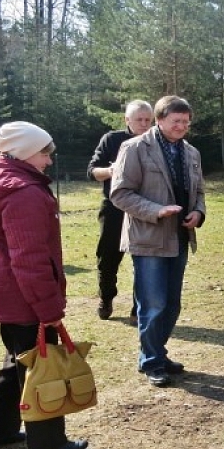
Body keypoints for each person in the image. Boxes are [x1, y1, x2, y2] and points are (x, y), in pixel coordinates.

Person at [0, 121, 88, 449]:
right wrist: (48, 308)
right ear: (26, 152)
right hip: (24, 296)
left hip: (7, 291)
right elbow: (29, 259)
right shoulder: (24, 193)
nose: (49, 161)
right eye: (45, 153)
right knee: (41, 368)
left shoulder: (0, 177)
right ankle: (48, 443)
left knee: (18, 360)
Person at [110, 96, 206, 387]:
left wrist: (199, 213)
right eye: (176, 121)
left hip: (179, 236)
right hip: (148, 237)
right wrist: (156, 211)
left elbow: (199, 190)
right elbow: (120, 193)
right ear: (159, 120)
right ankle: (151, 361)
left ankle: (157, 353)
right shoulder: (135, 148)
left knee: (172, 304)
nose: (181, 127)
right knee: (153, 303)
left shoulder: (191, 152)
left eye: (186, 122)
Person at [87, 100, 153, 324]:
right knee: (107, 258)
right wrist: (111, 170)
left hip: (145, 208)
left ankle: (138, 307)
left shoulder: (156, 142)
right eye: (139, 120)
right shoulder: (112, 139)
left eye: (148, 120)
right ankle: (106, 298)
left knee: (143, 260)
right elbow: (92, 171)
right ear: (127, 120)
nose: (144, 124)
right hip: (115, 208)